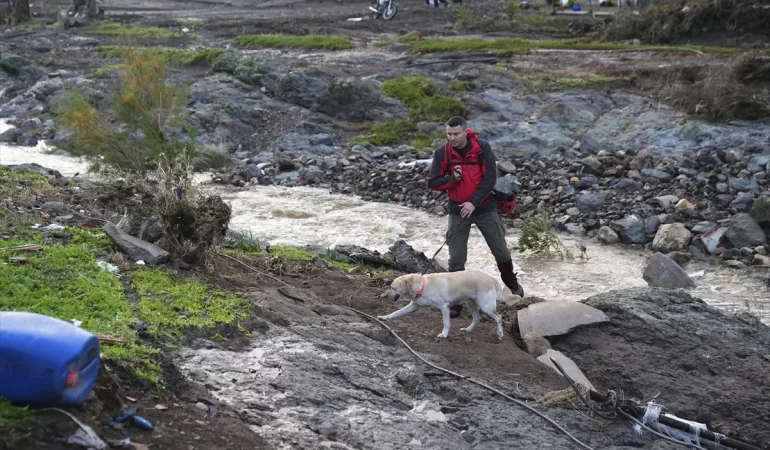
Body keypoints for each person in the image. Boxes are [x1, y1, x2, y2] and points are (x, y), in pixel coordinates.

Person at [428, 116, 524, 317]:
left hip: (484, 207)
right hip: (457, 209)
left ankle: (513, 286)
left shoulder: (482, 148)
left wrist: (473, 203)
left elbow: (490, 179)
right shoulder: (442, 153)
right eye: (449, 134)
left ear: (465, 132)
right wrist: (452, 179)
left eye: (456, 134)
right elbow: (434, 182)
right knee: (456, 260)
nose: (452, 138)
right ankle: (455, 303)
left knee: (501, 252)